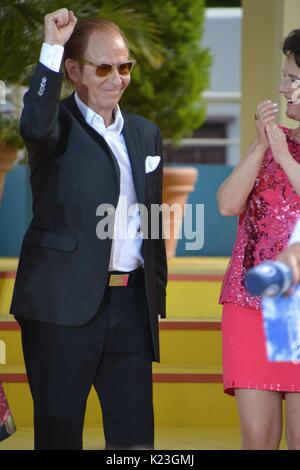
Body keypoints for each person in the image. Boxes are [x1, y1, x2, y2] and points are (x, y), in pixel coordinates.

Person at [10, 8, 167, 450]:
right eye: (103, 67)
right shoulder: (53, 126)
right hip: (60, 309)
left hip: (130, 308)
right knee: (59, 436)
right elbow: (32, 122)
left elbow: (150, 220)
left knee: (136, 440)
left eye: (124, 67)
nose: (117, 78)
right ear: (75, 71)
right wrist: (52, 50)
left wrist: (155, 299)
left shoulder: (145, 134)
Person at [217, 29, 300, 450]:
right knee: (258, 439)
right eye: (284, 77)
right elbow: (228, 204)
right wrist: (259, 145)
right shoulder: (273, 144)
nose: (283, 87)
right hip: (249, 306)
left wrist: (286, 159)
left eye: (292, 79)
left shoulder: (285, 152)